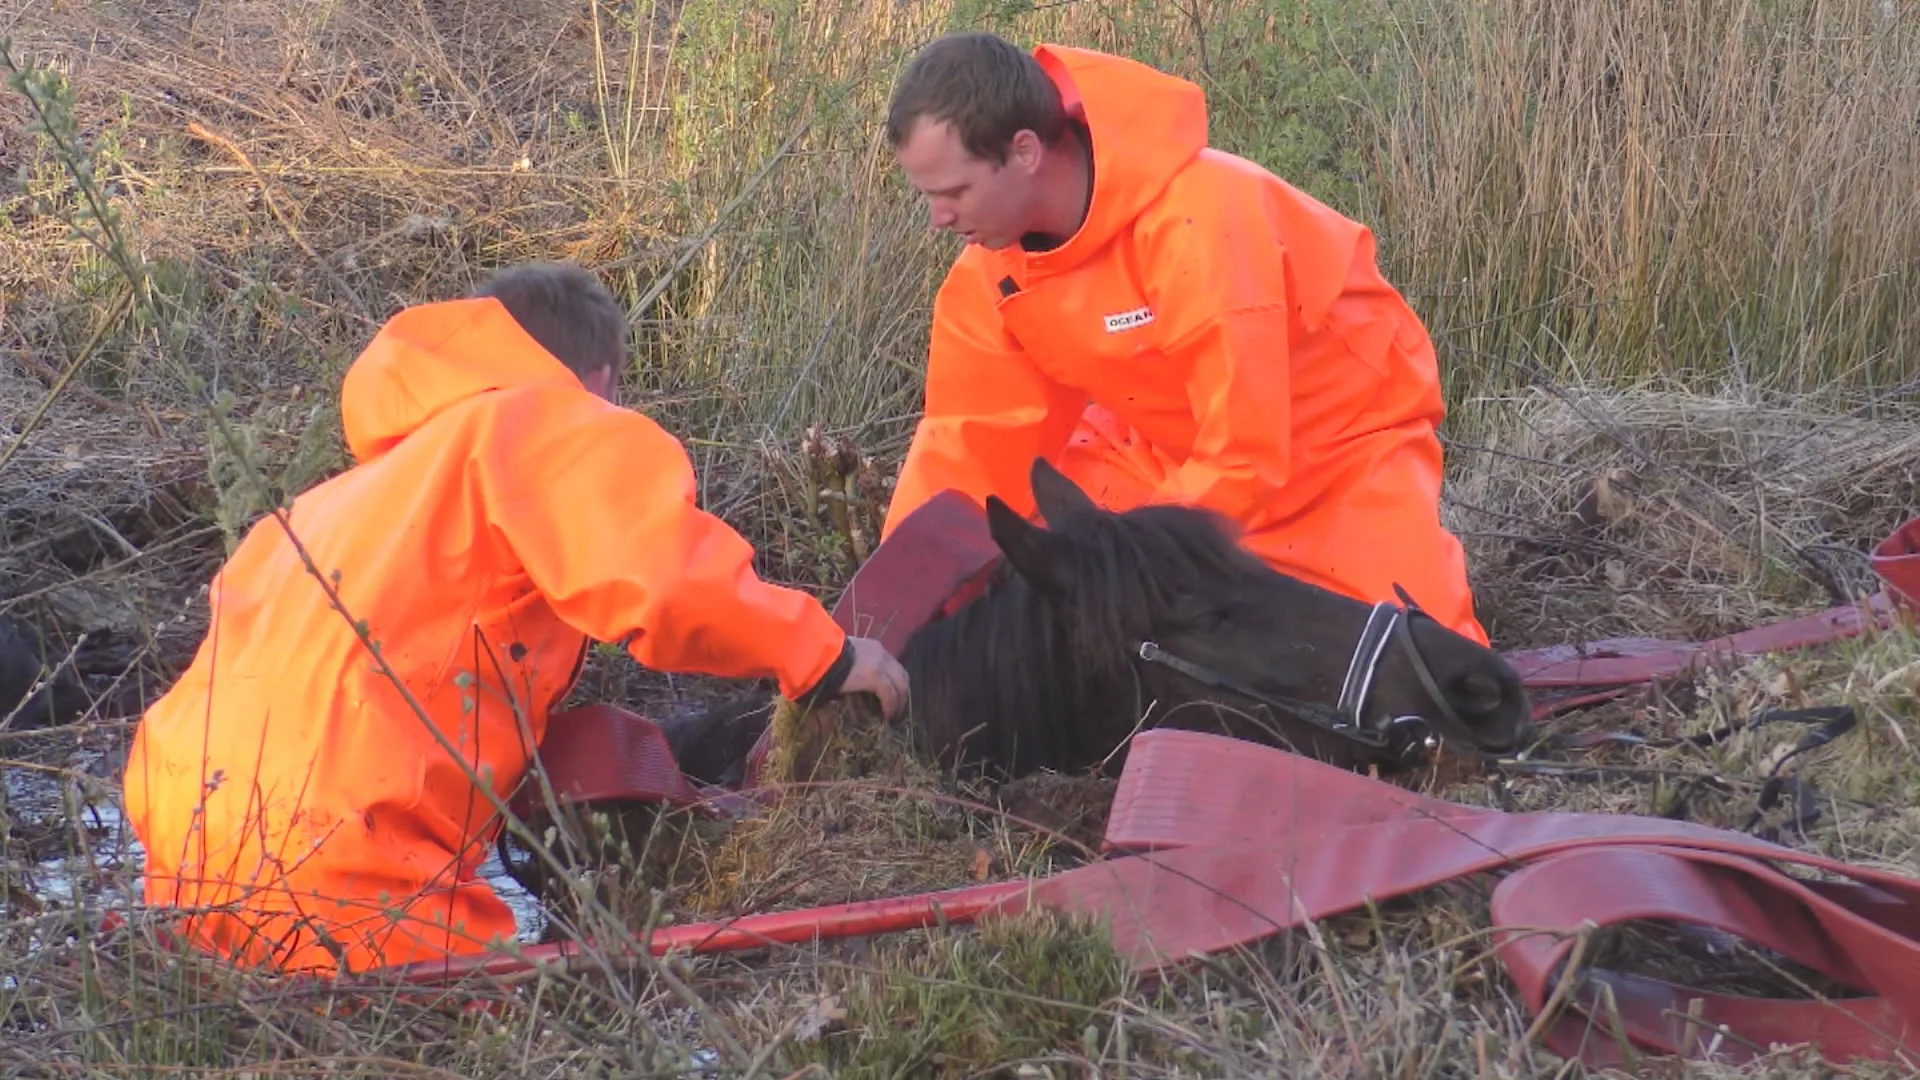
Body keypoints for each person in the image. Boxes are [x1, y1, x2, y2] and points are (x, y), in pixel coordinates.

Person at [120, 261, 910, 977]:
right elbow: (663, 582)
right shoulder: (540, 424)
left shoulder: (321, 509)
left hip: (183, 869)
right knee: (510, 1029)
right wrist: (829, 656)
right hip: (350, 873)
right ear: (598, 382)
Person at [879, 32, 1490, 645]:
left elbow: (1244, 454)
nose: (939, 219)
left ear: (1025, 151)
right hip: (1164, 457)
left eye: (954, 192)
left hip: (1337, 455)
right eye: (929, 196)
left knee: (1419, 664)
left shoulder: (1201, 218)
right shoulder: (992, 273)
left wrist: (1126, 572)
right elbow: (966, 444)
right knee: (1022, 570)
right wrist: (890, 614)